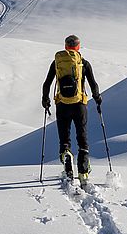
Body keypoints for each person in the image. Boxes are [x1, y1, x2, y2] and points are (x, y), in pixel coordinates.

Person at [42, 34, 101, 181]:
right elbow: (93, 84)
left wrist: (45, 100)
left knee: (64, 137)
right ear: (78, 47)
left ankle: (67, 158)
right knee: (82, 136)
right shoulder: (83, 63)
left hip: (62, 105)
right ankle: (83, 170)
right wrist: (97, 98)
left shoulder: (57, 63)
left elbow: (46, 84)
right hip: (80, 104)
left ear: (65, 46)